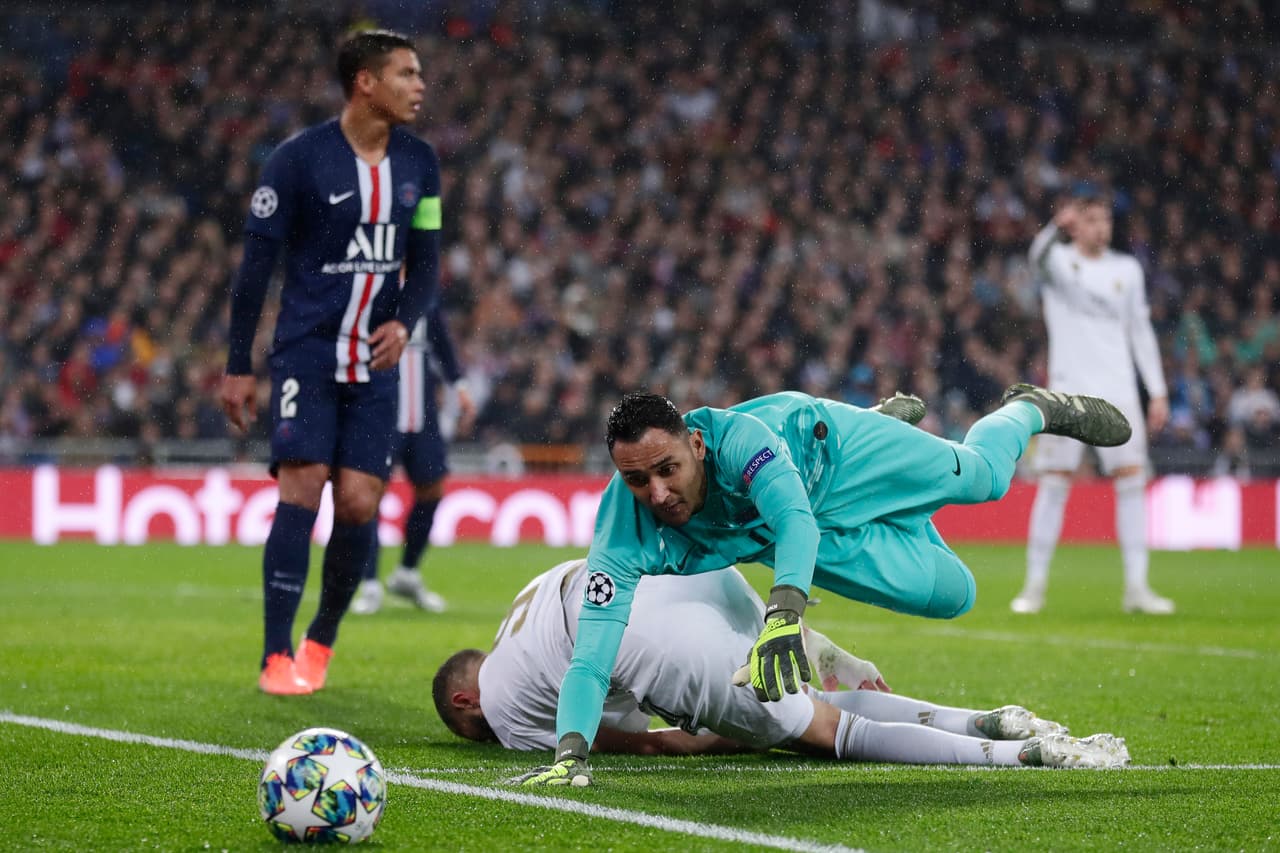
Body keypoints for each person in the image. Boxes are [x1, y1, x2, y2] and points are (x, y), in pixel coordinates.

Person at [516, 384, 1133, 786]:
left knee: (983, 479)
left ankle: (1028, 408)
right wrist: (570, 749)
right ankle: (900, 488)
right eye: (636, 480)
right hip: (808, 529)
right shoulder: (619, 537)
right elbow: (592, 653)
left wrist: (783, 619)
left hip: (832, 459)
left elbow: (790, 519)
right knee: (953, 593)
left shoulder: (742, 444)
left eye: (667, 469)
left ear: (697, 445)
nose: (656, 494)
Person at [435, 559, 1129, 782]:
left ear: (466, 698)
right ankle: (985, 716)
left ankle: (1019, 753)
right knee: (802, 689)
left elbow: (648, 740)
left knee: (825, 731)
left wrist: (725, 736)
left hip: (643, 633)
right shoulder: (516, 620)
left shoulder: (499, 708)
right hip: (686, 577)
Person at [219, 29, 443, 694]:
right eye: (406, 73)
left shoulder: (420, 163)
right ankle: (274, 654)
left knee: (357, 501)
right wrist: (239, 364)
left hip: (375, 361)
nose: (419, 84)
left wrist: (406, 319)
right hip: (307, 353)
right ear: (366, 83)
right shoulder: (298, 161)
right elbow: (254, 268)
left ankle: (321, 639)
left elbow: (427, 262)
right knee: (304, 481)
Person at [1010, 191, 1172, 616]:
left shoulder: (1128, 269)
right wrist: (1052, 227)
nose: (1101, 227)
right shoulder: (1060, 264)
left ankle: (1137, 588)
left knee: (1131, 482)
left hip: (1118, 389)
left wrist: (1156, 390)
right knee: (1054, 482)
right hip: (1068, 391)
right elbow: (1035, 258)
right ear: (1075, 225)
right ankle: (1034, 588)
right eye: (1092, 220)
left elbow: (1140, 331)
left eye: (1106, 220)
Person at [350, 300, 476, 615]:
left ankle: (407, 572)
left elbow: (442, 344)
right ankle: (368, 583)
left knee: (432, 487)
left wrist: (459, 386)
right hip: (381, 414)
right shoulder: (372, 293)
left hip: (422, 416)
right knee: (371, 493)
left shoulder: (425, 298)